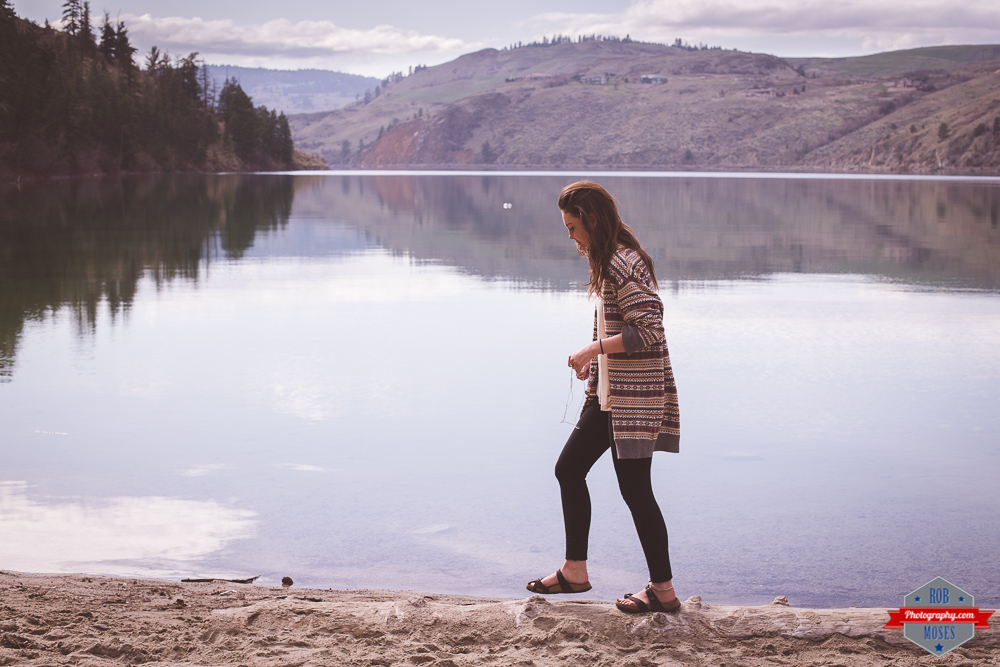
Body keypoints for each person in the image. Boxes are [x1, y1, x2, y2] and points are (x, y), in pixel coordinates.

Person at [525, 181, 681, 614]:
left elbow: (649, 329)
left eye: (573, 226)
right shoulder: (609, 260)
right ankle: (576, 570)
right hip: (610, 394)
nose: (570, 236)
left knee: (635, 491)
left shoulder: (622, 263)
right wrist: (595, 366)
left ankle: (663, 592)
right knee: (570, 469)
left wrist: (593, 349)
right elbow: (621, 328)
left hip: (631, 399)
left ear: (591, 220)